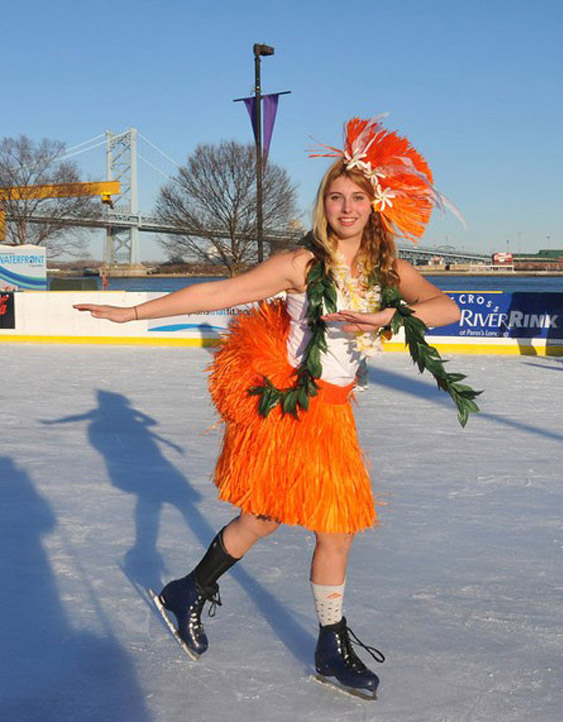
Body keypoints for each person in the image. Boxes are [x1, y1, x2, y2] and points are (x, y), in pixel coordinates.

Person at [75, 117, 463, 698]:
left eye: (358, 197)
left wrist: (392, 315)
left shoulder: (387, 272)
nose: (347, 207)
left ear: (375, 204)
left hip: (336, 413)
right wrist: (132, 313)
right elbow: (217, 293)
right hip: (289, 411)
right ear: (323, 205)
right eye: (336, 196)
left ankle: (191, 591)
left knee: (310, 526)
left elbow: (446, 308)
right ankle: (315, 641)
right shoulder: (300, 264)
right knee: (290, 520)